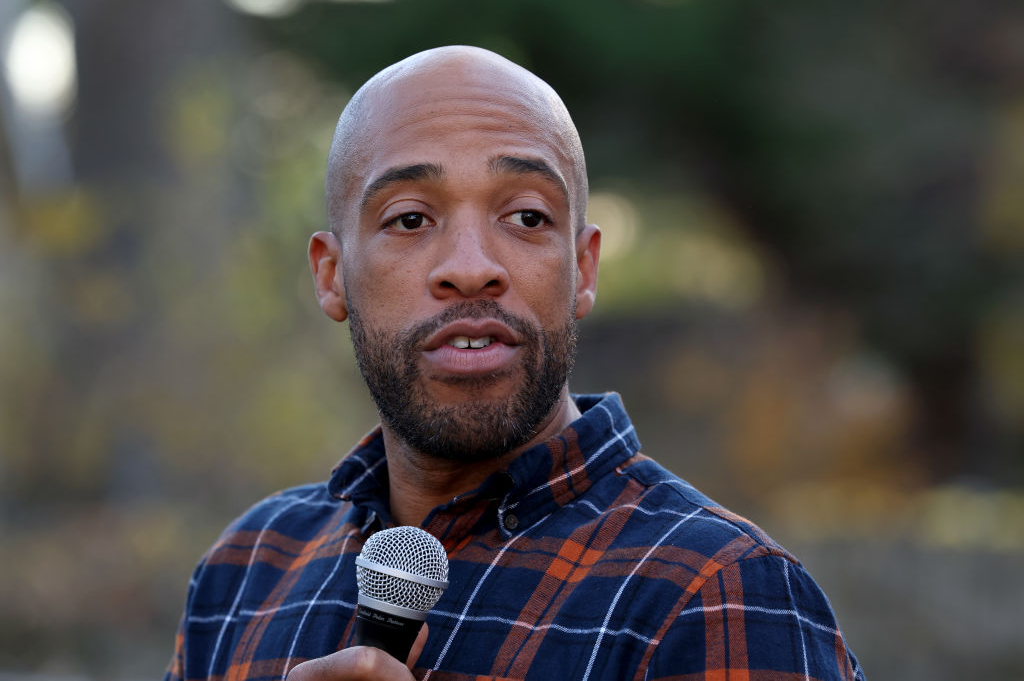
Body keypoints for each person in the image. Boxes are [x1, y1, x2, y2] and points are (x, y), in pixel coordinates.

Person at [166, 45, 865, 681]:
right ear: (331, 274)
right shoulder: (246, 571)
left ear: (583, 268)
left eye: (527, 217)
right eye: (410, 218)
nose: (471, 270)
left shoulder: (712, 592)